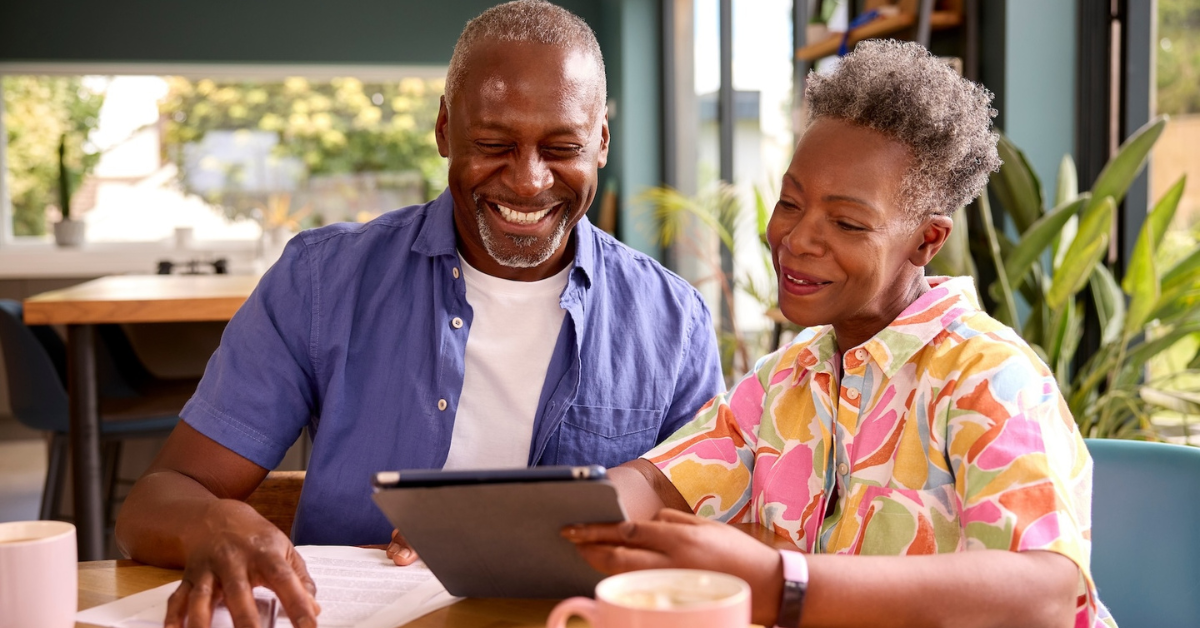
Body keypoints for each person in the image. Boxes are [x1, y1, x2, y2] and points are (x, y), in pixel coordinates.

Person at [114, 2, 724, 627]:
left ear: (600, 142)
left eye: (561, 146)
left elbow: (715, 543)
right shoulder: (322, 282)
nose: (527, 180)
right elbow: (151, 507)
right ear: (443, 129)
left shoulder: (672, 323)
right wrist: (215, 522)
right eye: (493, 144)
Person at [566, 40, 1117, 628]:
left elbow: (1045, 593)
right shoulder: (786, 379)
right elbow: (656, 483)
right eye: (789, 202)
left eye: (848, 223)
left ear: (927, 241)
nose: (798, 239)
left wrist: (784, 582)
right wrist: (568, 520)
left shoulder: (991, 377)